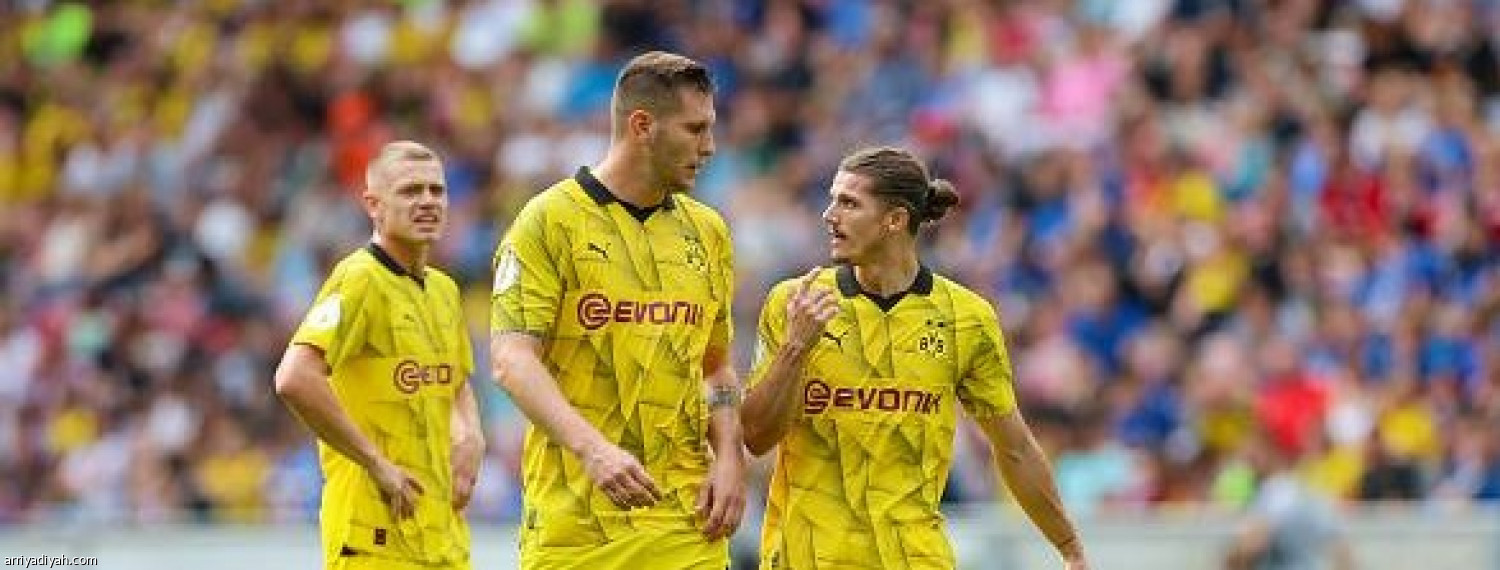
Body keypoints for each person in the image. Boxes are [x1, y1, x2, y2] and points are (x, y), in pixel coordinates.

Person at [742, 146, 1090, 569]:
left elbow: (1014, 447)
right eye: (833, 200)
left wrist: (1069, 546)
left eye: (849, 203)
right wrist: (796, 347)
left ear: (895, 220)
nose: (829, 215)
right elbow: (755, 437)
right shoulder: (796, 302)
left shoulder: (966, 318)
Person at [489, 51, 745, 570]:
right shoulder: (548, 221)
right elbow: (511, 360)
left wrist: (730, 457)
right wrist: (593, 450)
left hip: (688, 528)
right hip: (575, 530)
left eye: (710, 128)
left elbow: (716, 367)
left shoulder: (709, 231)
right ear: (642, 126)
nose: (710, 147)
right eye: (695, 129)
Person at [274, 141, 485, 570]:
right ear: (374, 204)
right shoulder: (360, 279)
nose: (427, 201)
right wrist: (375, 462)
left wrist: (472, 434)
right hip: (373, 537)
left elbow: (456, 379)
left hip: (441, 536)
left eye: (436, 190)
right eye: (410, 191)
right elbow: (294, 377)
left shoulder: (443, 289)